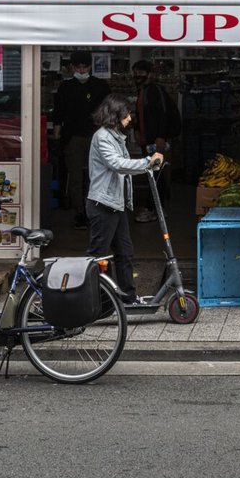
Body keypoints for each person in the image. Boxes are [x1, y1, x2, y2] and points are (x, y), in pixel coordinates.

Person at [86, 94, 164, 305]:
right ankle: (90, 301)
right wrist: (148, 162)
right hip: (103, 205)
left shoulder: (115, 135)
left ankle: (127, 299)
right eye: (127, 113)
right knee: (98, 255)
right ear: (115, 114)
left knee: (125, 253)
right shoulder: (102, 137)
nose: (130, 118)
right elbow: (117, 164)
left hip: (116, 204)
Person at [53, 52, 110, 230]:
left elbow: (109, 110)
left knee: (97, 175)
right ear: (72, 68)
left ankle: (97, 210)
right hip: (73, 137)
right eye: (78, 67)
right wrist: (58, 132)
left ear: (90, 67)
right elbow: (58, 111)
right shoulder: (66, 87)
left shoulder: (100, 86)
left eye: (84, 67)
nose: (81, 70)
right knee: (76, 176)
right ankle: (80, 212)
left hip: (97, 137)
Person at [130, 59, 180, 223]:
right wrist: (137, 130)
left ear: (150, 74)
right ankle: (158, 208)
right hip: (148, 141)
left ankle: (153, 209)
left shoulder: (154, 91)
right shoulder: (142, 91)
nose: (138, 76)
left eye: (141, 73)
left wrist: (161, 137)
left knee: (154, 175)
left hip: (156, 141)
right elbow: (141, 115)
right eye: (135, 73)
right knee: (154, 173)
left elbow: (163, 115)